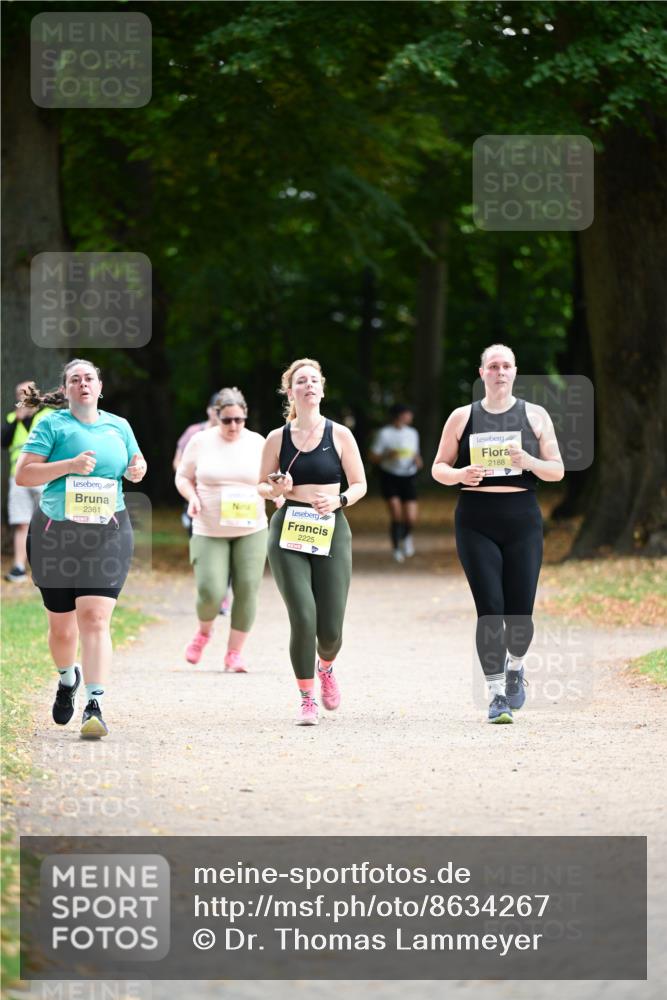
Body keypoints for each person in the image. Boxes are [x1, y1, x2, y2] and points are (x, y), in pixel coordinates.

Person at [432, 343, 564, 724]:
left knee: (519, 615)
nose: (500, 372)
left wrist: (530, 461)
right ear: (482, 373)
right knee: (490, 608)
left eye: (506, 366)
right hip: (476, 519)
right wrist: (459, 474)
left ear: (515, 372)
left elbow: (556, 470)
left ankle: (516, 665)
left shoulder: (535, 415)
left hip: (522, 519)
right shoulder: (462, 416)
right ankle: (495, 696)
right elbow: (439, 467)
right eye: (493, 366)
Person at [15, 358, 146, 739]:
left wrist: (136, 469)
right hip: (56, 534)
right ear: (67, 389)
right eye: (75, 379)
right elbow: (24, 474)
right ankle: (66, 677)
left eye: (89, 378)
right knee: (62, 629)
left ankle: (94, 704)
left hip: (108, 531)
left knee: (94, 618)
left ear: (100, 386)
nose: (83, 383)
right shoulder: (52, 425)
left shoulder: (118, 425)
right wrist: (69, 465)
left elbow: (136, 463)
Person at [258, 358, 367, 726]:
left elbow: (360, 484)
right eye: (300, 381)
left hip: (331, 526)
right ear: (291, 392)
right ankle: (307, 699)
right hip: (289, 525)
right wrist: (276, 487)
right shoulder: (278, 437)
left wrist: (340, 500)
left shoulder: (340, 435)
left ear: (322, 388)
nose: (308, 386)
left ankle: (327, 667)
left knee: (331, 629)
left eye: (314, 380)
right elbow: (260, 484)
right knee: (304, 617)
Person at [175, 387, 267, 672]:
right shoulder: (200, 441)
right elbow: (183, 477)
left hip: (251, 528)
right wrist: (191, 498)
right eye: (227, 420)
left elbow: (269, 480)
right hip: (208, 527)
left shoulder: (257, 442)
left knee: (247, 589)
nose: (233, 426)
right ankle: (204, 632)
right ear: (216, 416)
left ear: (246, 416)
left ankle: (234, 653)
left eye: (239, 420)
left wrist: (276, 491)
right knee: (211, 591)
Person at [174, 394, 232, 615]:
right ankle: (208, 591)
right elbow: (178, 462)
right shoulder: (194, 433)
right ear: (209, 410)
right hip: (197, 501)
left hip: (228, 502)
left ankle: (223, 596)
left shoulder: (234, 434)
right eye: (216, 408)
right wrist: (191, 477)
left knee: (229, 548)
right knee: (201, 549)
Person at [3, 382, 54, 582]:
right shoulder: (11, 418)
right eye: (19, 394)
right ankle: (18, 567)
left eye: (27, 393)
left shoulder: (49, 414)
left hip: (44, 474)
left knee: (48, 521)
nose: (23, 396)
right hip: (19, 477)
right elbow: (3, 441)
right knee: (21, 522)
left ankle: (48, 566)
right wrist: (17, 419)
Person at [369, 404, 423, 562]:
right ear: (399, 415)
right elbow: (373, 457)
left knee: (411, 517)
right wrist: (387, 455)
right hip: (390, 477)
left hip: (409, 476)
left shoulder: (413, 433)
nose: (410, 416)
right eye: (408, 413)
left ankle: (406, 537)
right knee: (396, 513)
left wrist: (418, 461)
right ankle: (396, 548)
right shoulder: (384, 433)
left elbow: (417, 455)